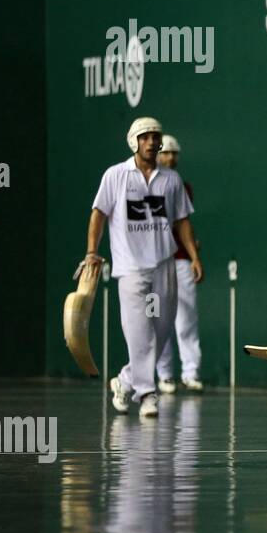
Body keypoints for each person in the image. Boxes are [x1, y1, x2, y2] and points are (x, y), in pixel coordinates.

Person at [84, 117, 202, 419]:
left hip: (165, 265)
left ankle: (125, 381)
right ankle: (148, 394)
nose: (151, 141)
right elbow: (99, 214)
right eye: (145, 136)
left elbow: (182, 221)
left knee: (161, 332)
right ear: (134, 141)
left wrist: (193, 257)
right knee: (139, 333)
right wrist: (92, 251)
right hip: (131, 269)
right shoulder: (115, 176)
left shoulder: (172, 181)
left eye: (155, 136)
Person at [155, 134, 204, 393]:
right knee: (159, 319)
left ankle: (190, 373)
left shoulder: (183, 187)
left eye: (174, 153)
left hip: (181, 260)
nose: (170, 158)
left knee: (186, 317)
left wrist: (194, 255)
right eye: (166, 153)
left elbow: (182, 223)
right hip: (155, 262)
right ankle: (163, 375)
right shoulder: (143, 185)